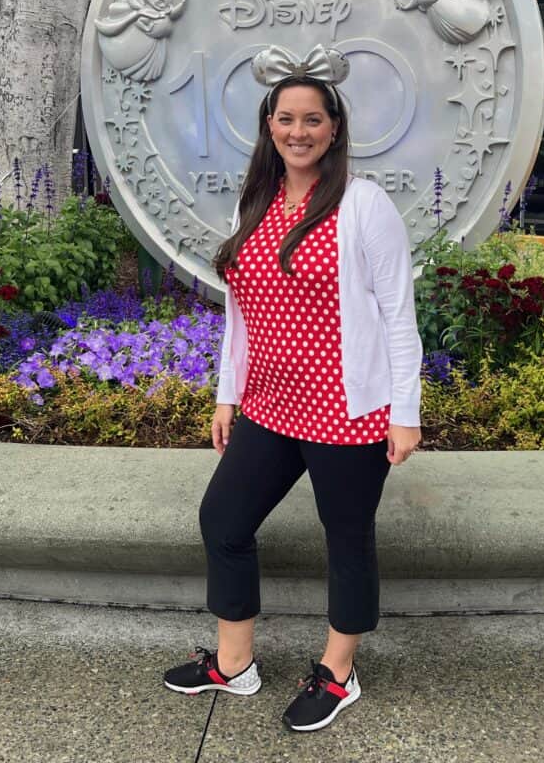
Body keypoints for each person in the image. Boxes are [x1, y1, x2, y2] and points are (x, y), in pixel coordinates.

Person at [163, 43, 422, 733]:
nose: (298, 131)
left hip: (346, 409)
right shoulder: (260, 201)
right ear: (269, 126)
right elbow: (242, 313)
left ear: (334, 129)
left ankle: (338, 673)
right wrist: (228, 394)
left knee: (347, 539)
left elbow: (399, 314)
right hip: (271, 408)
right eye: (285, 119)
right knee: (224, 521)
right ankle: (234, 663)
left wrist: (406, 412)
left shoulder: (363, 205)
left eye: (312, 119)